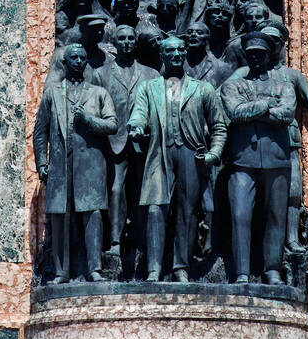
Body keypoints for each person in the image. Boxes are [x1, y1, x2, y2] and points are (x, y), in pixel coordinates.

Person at [128, 36, 227, 282]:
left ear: (184, 54)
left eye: (180, 50)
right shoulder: (148, 88)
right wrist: (136, 127)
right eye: (170, 51)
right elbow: (139, 114)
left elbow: (219, 125)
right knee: (155, 210)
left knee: (187, 212)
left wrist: (214, 153)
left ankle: (180, 266)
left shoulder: (202, 88)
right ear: (162, 55)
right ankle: (153, 268)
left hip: (190, 155)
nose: (175, 54)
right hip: (158, 152)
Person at [33, 43, 117, 282]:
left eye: (82, 57)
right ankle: (61, 271)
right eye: (74, 58)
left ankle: (94, 269)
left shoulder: (98, 93)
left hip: (90, 164)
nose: (79, 61)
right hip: (60, 165)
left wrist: (88, 120)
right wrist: (42, 164)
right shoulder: (52, 93)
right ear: (65, 63)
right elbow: (40, 132)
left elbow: (112, 124)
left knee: (92, 216)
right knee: (59, 218)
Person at [221, 32, 295, 285]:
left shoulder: (284, 86)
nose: (255, 58)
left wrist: (253, 108)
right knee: (240, 216)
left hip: (276, 160)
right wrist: (266, 105)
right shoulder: (233, 86)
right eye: (251, 53)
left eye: (260, 54)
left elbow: (287, 114)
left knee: (276, 217)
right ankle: (242, 272)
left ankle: (272, 269)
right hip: (243, 160)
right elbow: (235, 112)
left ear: (268, 55)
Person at [256, 24, 308, 250]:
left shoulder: (291, 76)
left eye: (276, 42)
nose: (271, 47)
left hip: (287, 139)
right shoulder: (251, 73)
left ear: (282, 45)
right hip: (258, 140)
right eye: (267, 41)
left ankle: (291, 239)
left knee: (292, 191)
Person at [94, 23, 156, 259]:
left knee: (144, 192)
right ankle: (116, 241)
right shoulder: (101, 74)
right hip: (114, 142)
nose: (127, 42)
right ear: (115, 43)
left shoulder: (151, 74)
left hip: (144, 143)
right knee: (117, 189)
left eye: (131, 38)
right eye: (123, 38)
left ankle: (142, 241)